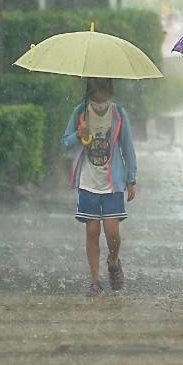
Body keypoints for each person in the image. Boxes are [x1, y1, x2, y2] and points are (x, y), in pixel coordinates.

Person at [61, 77, 137, 296]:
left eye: (103, 99)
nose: (99, 104)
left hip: (113, 183)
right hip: (88, 182)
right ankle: (95, 280)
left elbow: (128, 147)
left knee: (112, 231)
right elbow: (65, 142)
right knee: (92, 230)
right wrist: (79, 134)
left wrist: (131, 179)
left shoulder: (119, 114)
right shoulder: (80, 113)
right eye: (95, 100)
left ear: (110, 95)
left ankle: (113, 260)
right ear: (89, 96)